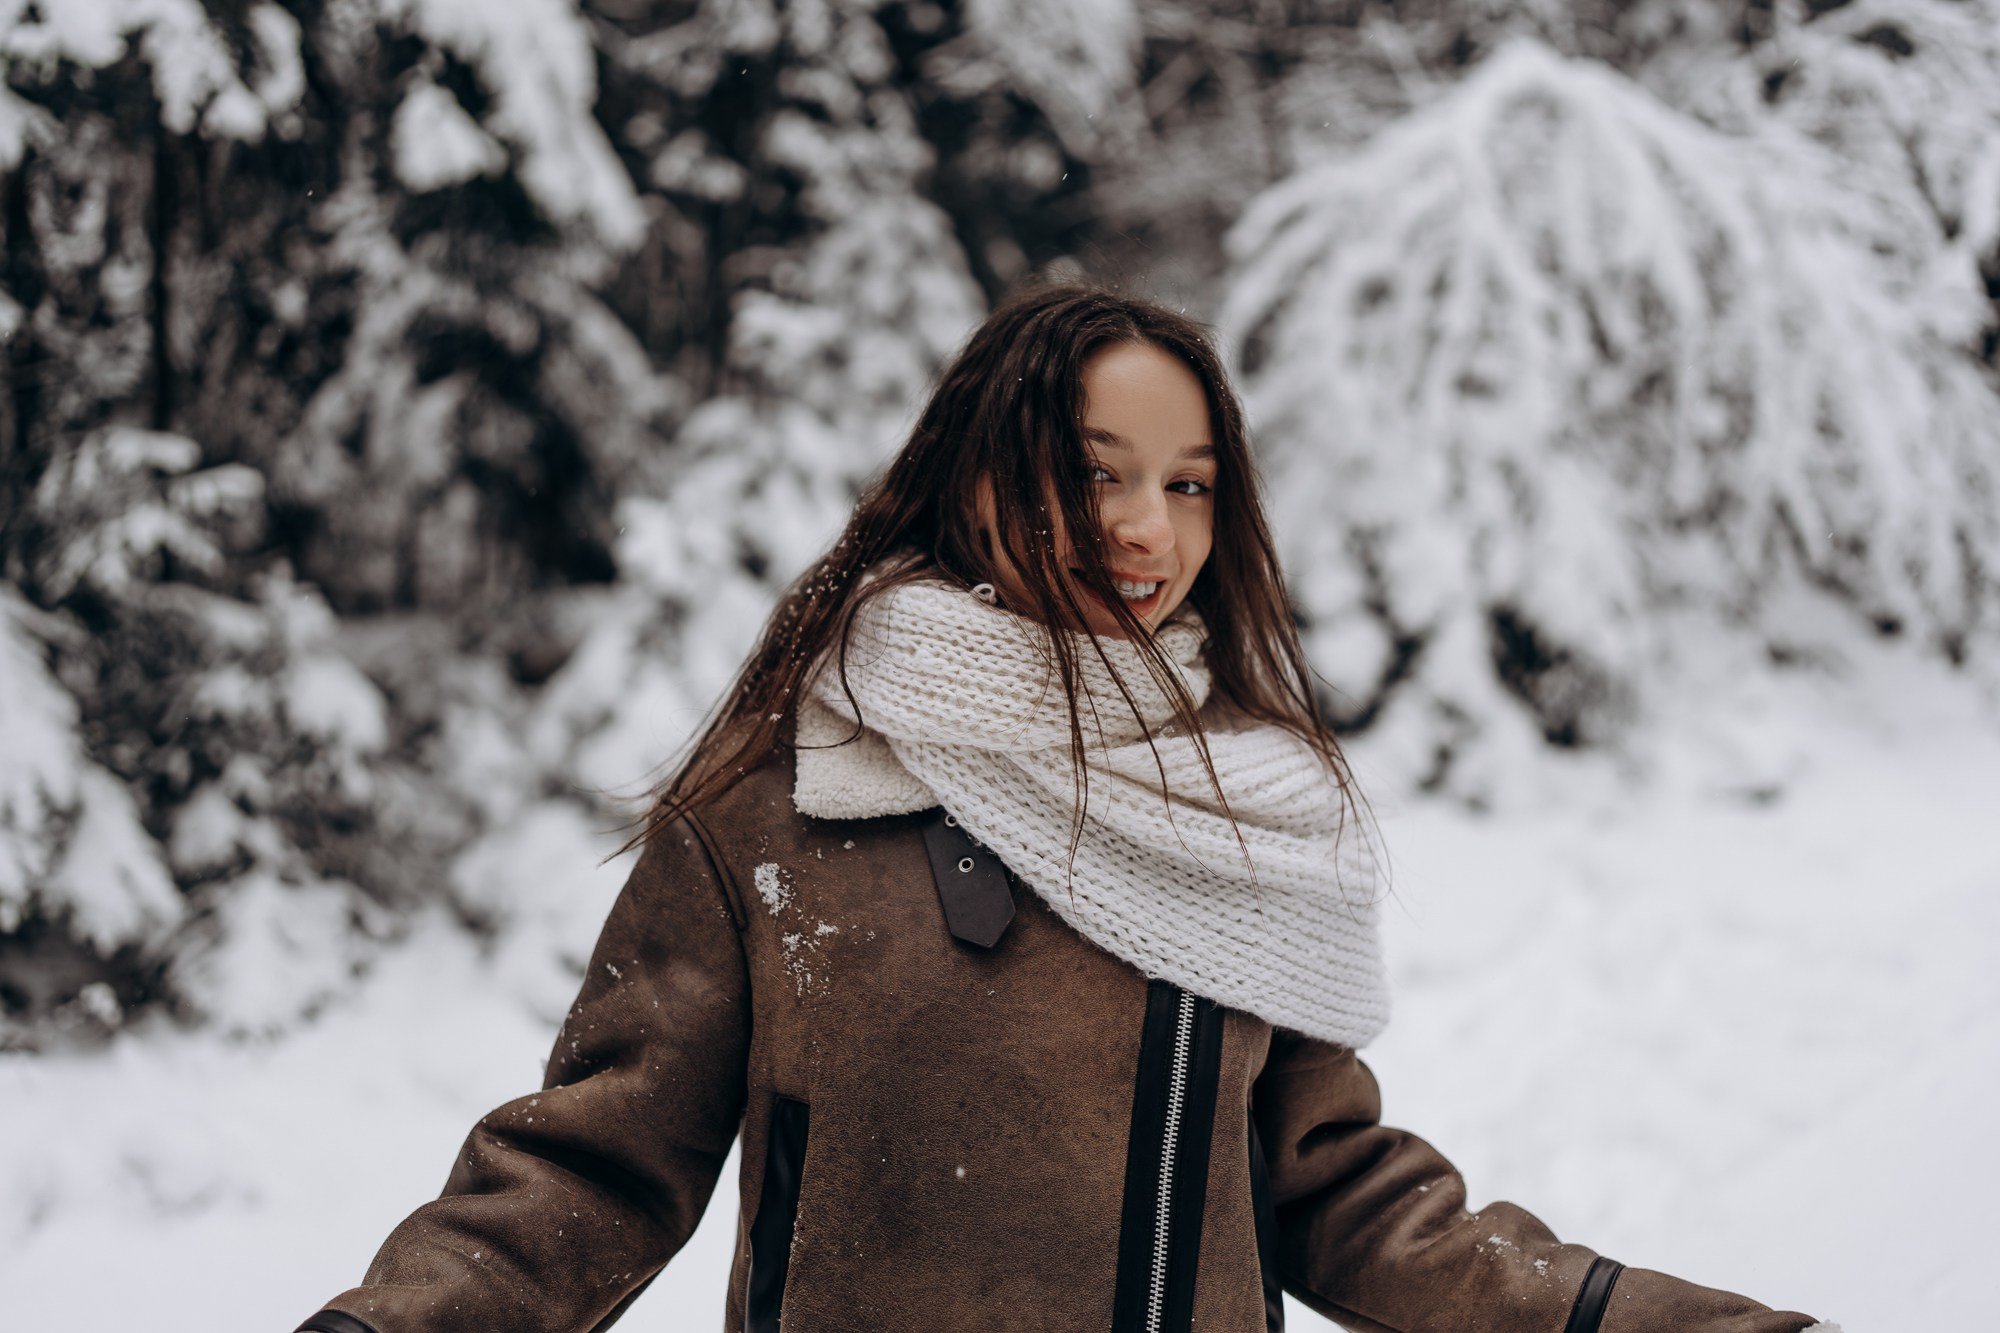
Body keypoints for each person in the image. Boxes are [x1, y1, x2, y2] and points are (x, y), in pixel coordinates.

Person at [294, 285, 1835, 1333]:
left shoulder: (1236, 817)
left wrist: (1623, 1311)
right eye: (1092, 471)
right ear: (979, 475)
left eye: (1189, 483)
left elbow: (1334, 1187)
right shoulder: (781, 807)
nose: (1142, 528)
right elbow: (588, 1168)